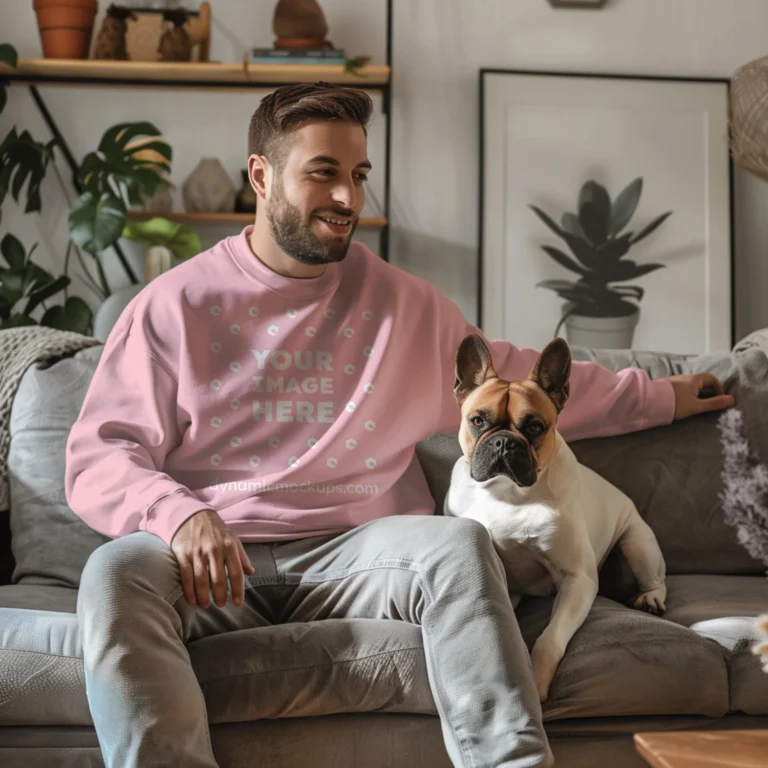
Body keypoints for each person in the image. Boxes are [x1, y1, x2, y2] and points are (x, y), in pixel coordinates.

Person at [65, 82, 734, 768]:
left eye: (359, 176)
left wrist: (661, 397)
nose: (349, 199)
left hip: (361, 553)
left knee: (458, 546)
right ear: (261, 177)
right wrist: (178, 516)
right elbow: (98, 454)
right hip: (213, 560)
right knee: (114, 574)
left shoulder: (405, 307)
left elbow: (520, 379)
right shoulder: (172, 306)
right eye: (323, 172)